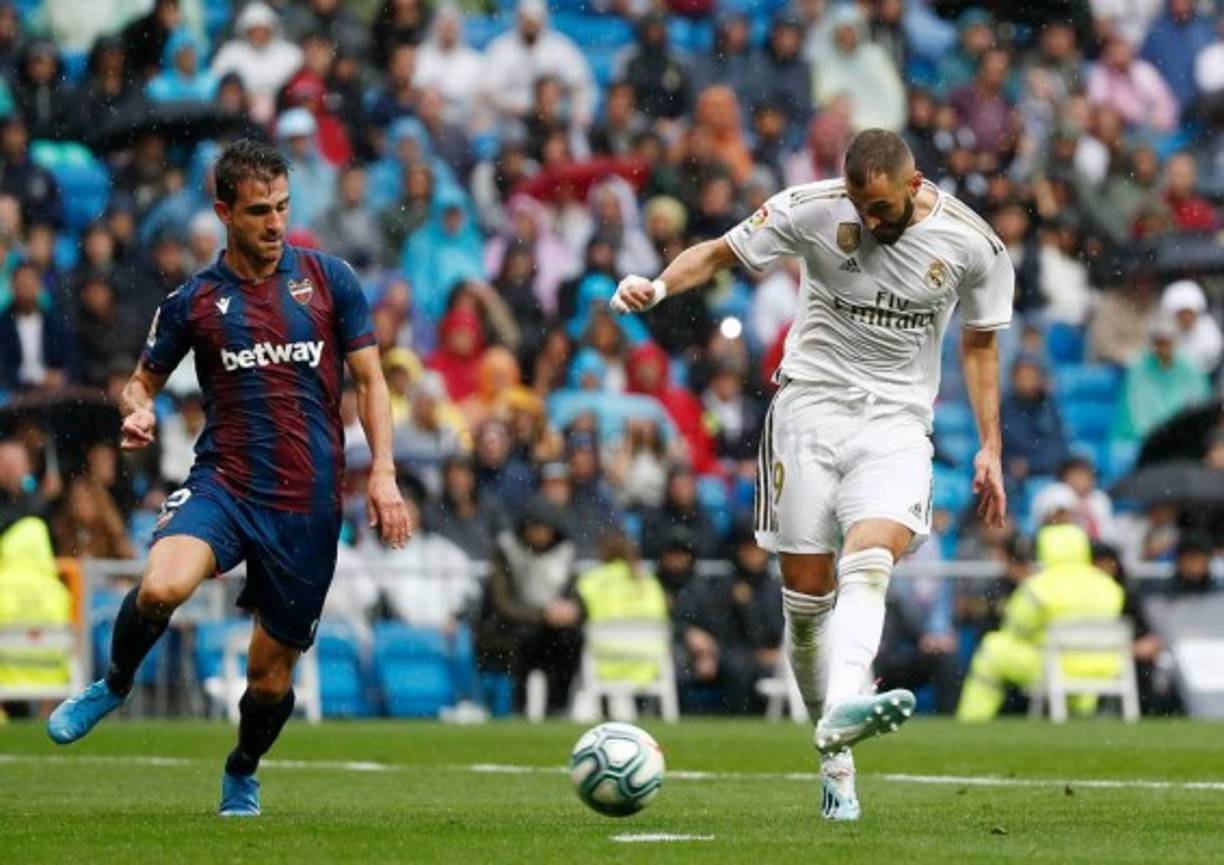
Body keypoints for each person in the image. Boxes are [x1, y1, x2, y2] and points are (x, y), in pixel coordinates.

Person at [610, 128, 1014, 820]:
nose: (868, 220)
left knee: (871, 556)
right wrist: (659, 285)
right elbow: (719, 252)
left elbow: (980, 346)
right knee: (804, 601)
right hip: (808, 411)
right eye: (860, 206)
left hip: (895, 423)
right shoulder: (814, 207)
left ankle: (848, 698)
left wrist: (989, 444)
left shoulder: (974, 245)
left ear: (912, 188)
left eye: (881, 208)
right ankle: (835, 755)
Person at [44, 140, 411, 818]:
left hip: (307, 503)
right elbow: (137, 381)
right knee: (160, 585)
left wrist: (384, 472)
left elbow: (371, 380)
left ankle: (243, 766)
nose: (275, 224)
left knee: (268, 676)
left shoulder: (330, 280)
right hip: (227, 485)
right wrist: (140, 410)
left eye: (282, 208)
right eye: (258, 212)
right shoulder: (194, 301)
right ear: (223, 212)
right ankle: (115, 682)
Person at [956, 524, 1125, 721]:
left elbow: (1015, 628)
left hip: (1055, 665)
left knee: (992, 647)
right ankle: (1080, 712)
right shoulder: (1108, 586)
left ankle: (972, 718)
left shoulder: (1039, 587)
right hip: (1104, 666)